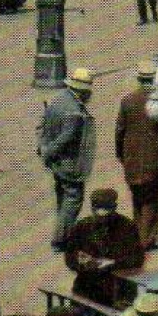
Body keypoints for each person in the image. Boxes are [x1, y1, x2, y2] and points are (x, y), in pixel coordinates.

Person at [39, 68, 97, 250]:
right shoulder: (75, 112)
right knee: (72, 201)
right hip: (70, 165)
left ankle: (62, 232)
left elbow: (42, 125)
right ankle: (61, 240)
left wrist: (42, 148)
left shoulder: (58, 99)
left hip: (57, 165)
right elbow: (65, 139)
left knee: (62, 199)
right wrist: (48, 151)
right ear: (82, 90)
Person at [116, 62, 158, 250]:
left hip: (131, 160)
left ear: (139, 79)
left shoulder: (128, 100)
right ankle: (145, 240)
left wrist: (121, 154)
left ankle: (138, 234)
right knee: (151, 201)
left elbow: (120, 131)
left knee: (137, 198)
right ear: (155, 78)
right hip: (154, 161)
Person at [63, 188, 145, 308]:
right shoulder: (82, 227)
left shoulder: (127, 227)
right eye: (97, 210)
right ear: (92, 208)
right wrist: (80, 261)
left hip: (118, 288)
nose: (102, 216)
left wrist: (112, 263)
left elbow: (137, 259)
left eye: (107, 211)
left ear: (114, 207)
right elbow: (69, 257)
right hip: (87, 286)